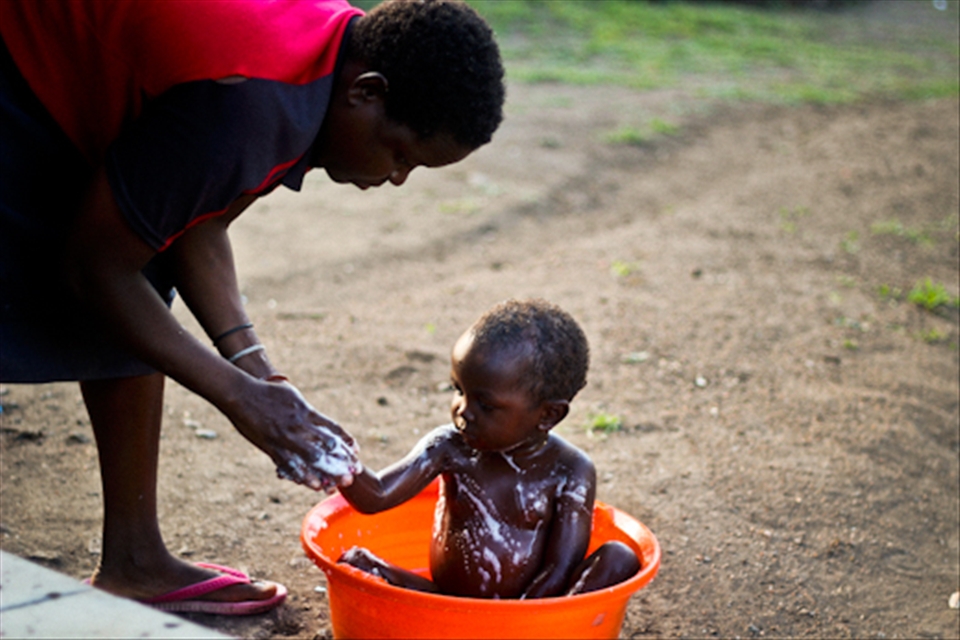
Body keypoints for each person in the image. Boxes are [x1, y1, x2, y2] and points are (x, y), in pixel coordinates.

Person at [0, 0, 504, 615]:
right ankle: (134, 556)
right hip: (18, 62)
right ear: (367, 93)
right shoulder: (251, 101)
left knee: (140, 263)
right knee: (117, 275)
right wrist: (239, 398)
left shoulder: (329, 55)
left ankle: (134, 557)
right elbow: (96, 267)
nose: (397, 178)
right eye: (402, 155)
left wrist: (260, 373)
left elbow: (194, 221)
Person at [337, 299, 641, 599]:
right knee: (357, 563)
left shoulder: (569, 471)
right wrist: (331, 458)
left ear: (548, 415)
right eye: (458, 390)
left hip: (529, 614)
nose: (463, 411)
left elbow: (560, 570)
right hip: (446, 603)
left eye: (485, 404)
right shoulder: (449, 448)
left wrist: (515, 622)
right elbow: (375, 496)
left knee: (619, 558)